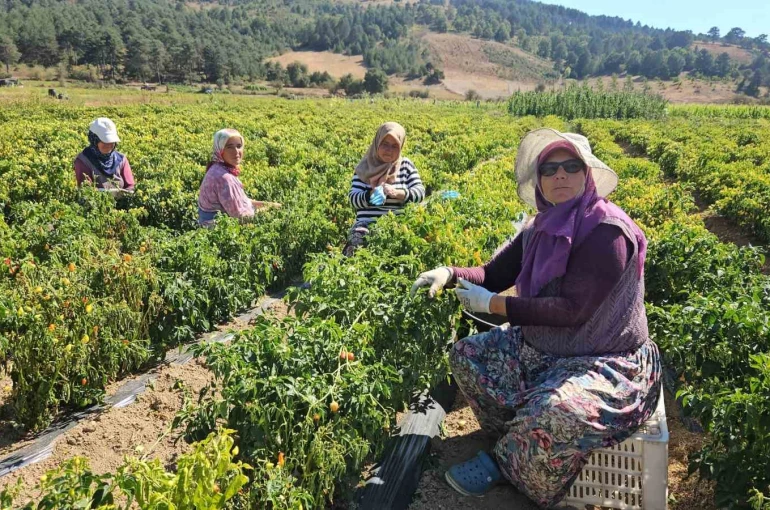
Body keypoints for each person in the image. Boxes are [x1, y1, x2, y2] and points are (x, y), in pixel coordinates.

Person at [410, 128, 661, 508]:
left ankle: (509, 463)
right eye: (550, 169)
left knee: (558, 410)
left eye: (571, 166)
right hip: (542, 349)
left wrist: (495, 306)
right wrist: (449, 273)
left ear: (587, 174)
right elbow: (492, 274)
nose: (560, 175)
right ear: (540, 180)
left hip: (606, 362)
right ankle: (518, 442)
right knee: (467, 357)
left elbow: (573, 310)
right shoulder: (539, 227)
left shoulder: (607, 232)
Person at [344, 122, 425, 256]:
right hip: (366, 226)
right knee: (356, 248)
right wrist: (369, 195)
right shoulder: (364, 167)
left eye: (394, 146)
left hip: (399, 225)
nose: (389, 150)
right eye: (385, 144)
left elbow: (420, 193)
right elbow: (353, 199)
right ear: (377, 143)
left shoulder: (406, 166)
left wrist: (399, 193)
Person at [197, 128, 280, 227]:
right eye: (229, 147)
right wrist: (270, 209)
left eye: (239, 146)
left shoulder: (218, 168)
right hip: (219, 232)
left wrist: (270, 204)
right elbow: (242, 218)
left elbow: (242, 201)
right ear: (221, 149)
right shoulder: (225, 178)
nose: (236, 151)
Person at [74, 118, 135, 192]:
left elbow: (130, 186)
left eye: (111, 141)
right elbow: (86, 191)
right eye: (105, 141)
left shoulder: (121, 159)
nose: (109, 144)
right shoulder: (83, 160)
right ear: (94, 140)